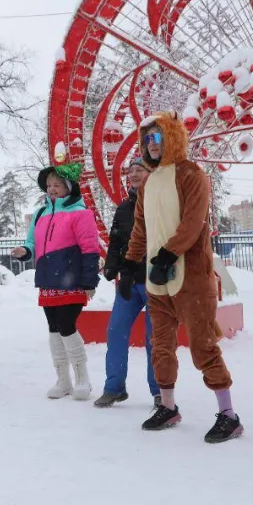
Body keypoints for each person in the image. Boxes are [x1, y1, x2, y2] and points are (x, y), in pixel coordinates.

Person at [124, 111, 242, 443]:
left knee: (203, 346)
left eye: (158, 136)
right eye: (147, 138)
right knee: (160, 346)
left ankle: (229, 415)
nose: (152, 144)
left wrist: (168, 253)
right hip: (157, 279)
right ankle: (168, 406)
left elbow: (193, 222)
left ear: (173, 138)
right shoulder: (148, 182)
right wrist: (130, 264)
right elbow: (141, 229)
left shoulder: (192, 174)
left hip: (190, 276)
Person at [12, 164, 100, 401]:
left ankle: (83, 379)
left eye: (57, 185)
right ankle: (63, 380)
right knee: (53, 328)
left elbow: (90, 249)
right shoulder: (41, 213)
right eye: (49, 185)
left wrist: (89, 281)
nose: (52, 189)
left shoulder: (81, 213)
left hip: (71, 281)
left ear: (68, 187)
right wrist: (24, 250)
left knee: (67, 325)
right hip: (48, 280)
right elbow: (32, 243)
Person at [96, 157, 160, 408]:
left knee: (154, 338)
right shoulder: (123, 208)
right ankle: (114, 388)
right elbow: (115, 240)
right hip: (129, 281)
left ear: (150, 173)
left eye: (139, 169)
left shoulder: (159, 202)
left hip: (154, 280)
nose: (133, 174)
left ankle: (159, 390)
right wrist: (113, 266)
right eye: (130, 170)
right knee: (115, 332)